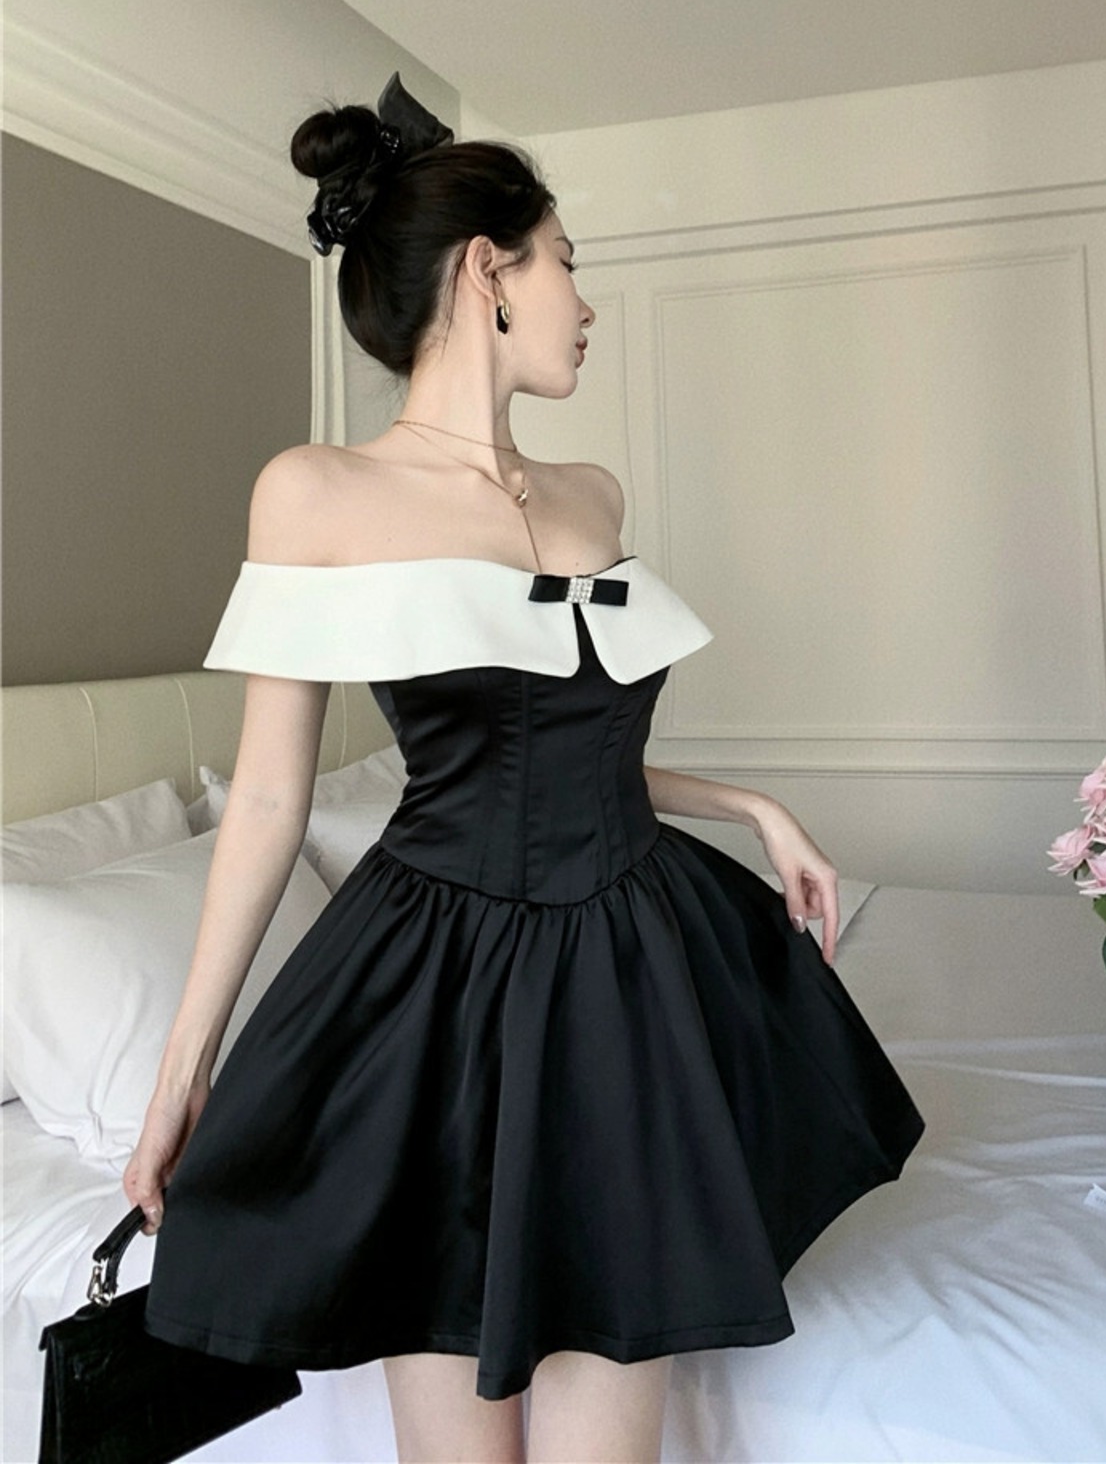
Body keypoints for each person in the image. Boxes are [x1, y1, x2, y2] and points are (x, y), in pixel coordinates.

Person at [124, 73, 924, 1464]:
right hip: (435, 992)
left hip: (628, 971)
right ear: (488, 270)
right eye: (568, 263)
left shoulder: (591, 495)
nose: (586, 304)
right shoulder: (315, 489)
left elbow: (571, 745)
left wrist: (752, 804)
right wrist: (185, 1068)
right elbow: (270, 800)